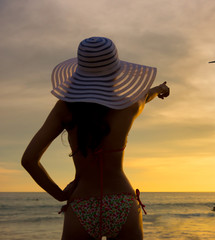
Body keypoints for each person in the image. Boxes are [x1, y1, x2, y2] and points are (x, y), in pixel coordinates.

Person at [21, 37, 170, 240]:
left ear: (80, 73)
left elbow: (29, 160)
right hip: (122, 202)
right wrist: (161, 89)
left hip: (82, 203)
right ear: (115, 72)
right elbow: (146, 95)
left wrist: (60, 194)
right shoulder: (131, 104)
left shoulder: (65, 108)